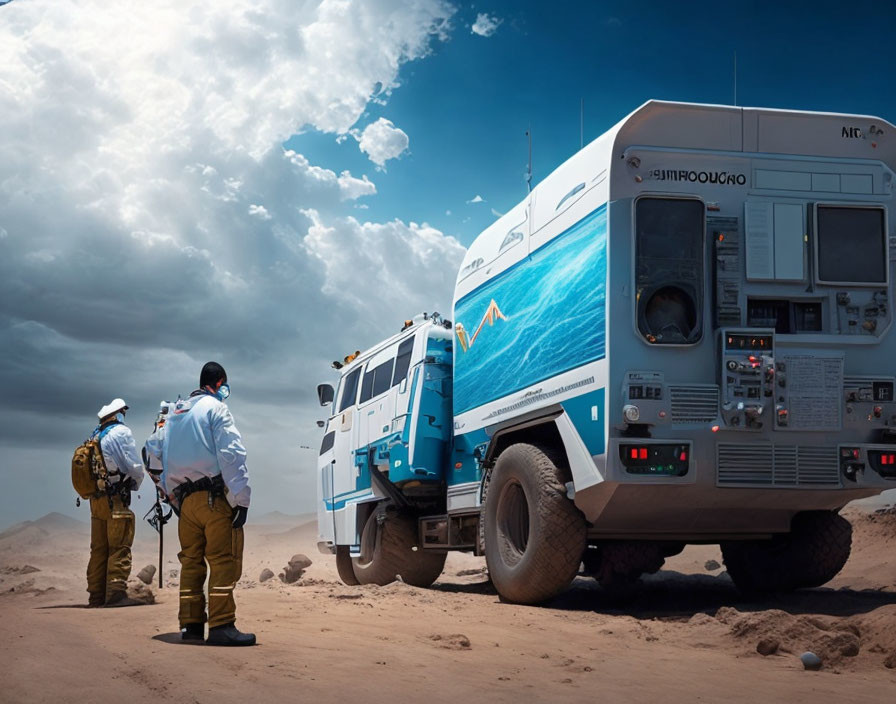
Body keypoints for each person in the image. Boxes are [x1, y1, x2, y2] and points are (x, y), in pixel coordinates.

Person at [144, 362, 255, 646]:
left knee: (191, 563)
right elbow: (231, 454)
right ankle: (221, 626)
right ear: (219, 383)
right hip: (212, 498)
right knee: (221, 560)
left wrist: (169, 495)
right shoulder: (215, 408)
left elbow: (152, 457)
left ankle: (191, 627)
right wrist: (241, 499)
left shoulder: (171, 413)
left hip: (185, 502)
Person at [88, 398, 144, 607]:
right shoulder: (120, 433)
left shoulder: (95, 434)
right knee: (119, 545)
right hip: (115, 499)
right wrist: (136, 483)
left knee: (99, 548)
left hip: (96, 499)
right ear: (118, 413)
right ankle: (116, 594)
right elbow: (133, 466)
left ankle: (96, 595)